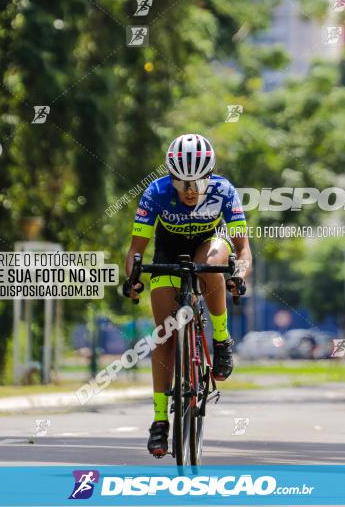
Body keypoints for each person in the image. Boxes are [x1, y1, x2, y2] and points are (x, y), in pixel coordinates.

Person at [123, 133, 251, 458]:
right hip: (168, 253)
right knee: (163, 336)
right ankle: (159, 421)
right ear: (171, 178)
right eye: (183, 184)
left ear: (210, 177)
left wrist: (239, 275)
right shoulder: (156, 192)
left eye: (197, 182)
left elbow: (243, 248)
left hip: (210, 246)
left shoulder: (224, 191)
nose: (191, 191)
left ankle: (221, 341)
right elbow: (136, 251)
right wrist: (134, 280)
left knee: (209, 264)